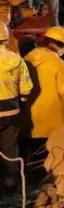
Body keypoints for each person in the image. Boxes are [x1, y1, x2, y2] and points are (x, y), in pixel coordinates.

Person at [23, 27, 64, 148]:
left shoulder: (28, 57)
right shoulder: (57, 62)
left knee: (32, 158)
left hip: (31, 118)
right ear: (58, 45)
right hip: (53, 120)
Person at [0, 22, 33, 191]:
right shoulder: (16, 59)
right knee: (10, 150)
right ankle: (11, 186)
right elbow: (27, 87)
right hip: (11, 111)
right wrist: (21, 101)